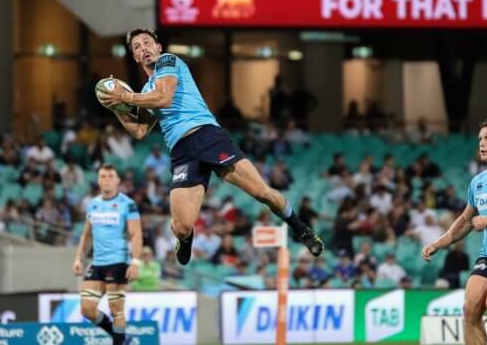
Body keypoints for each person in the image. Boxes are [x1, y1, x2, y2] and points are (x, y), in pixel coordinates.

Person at [100, 28, 323, 266]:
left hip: (208, 137)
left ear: (158, 48)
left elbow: (164, 98)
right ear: (134, 57)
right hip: (182, 152)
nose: (143, 48)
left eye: (147, 43)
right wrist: (116, 107)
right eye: (137, 47)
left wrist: (126, 97)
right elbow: (140, 131)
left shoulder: (168, 61)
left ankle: (301, 229)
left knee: (262, 193)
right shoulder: (145, 91)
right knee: (181, 227)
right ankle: (185, 239)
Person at [422, 119, 487, 345]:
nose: (482, 143)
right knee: (470, 308)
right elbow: (465, 220)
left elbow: (481, 220)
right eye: (480, 139)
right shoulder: (477, 182)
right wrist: (439, 243)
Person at [71, 164, 142, 345]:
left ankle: (119, 341)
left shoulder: (128, 204)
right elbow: (86, 234)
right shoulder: (92, 204)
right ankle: (123, 339)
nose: (107, 180)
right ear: (98, 180)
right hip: (97, 263)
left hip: (118, 262)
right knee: (87, 309)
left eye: (111, 176)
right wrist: (79, 257)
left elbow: (136, 234)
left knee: (116, 310)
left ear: (118, 181)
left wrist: (135, 262)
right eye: (103, 176)